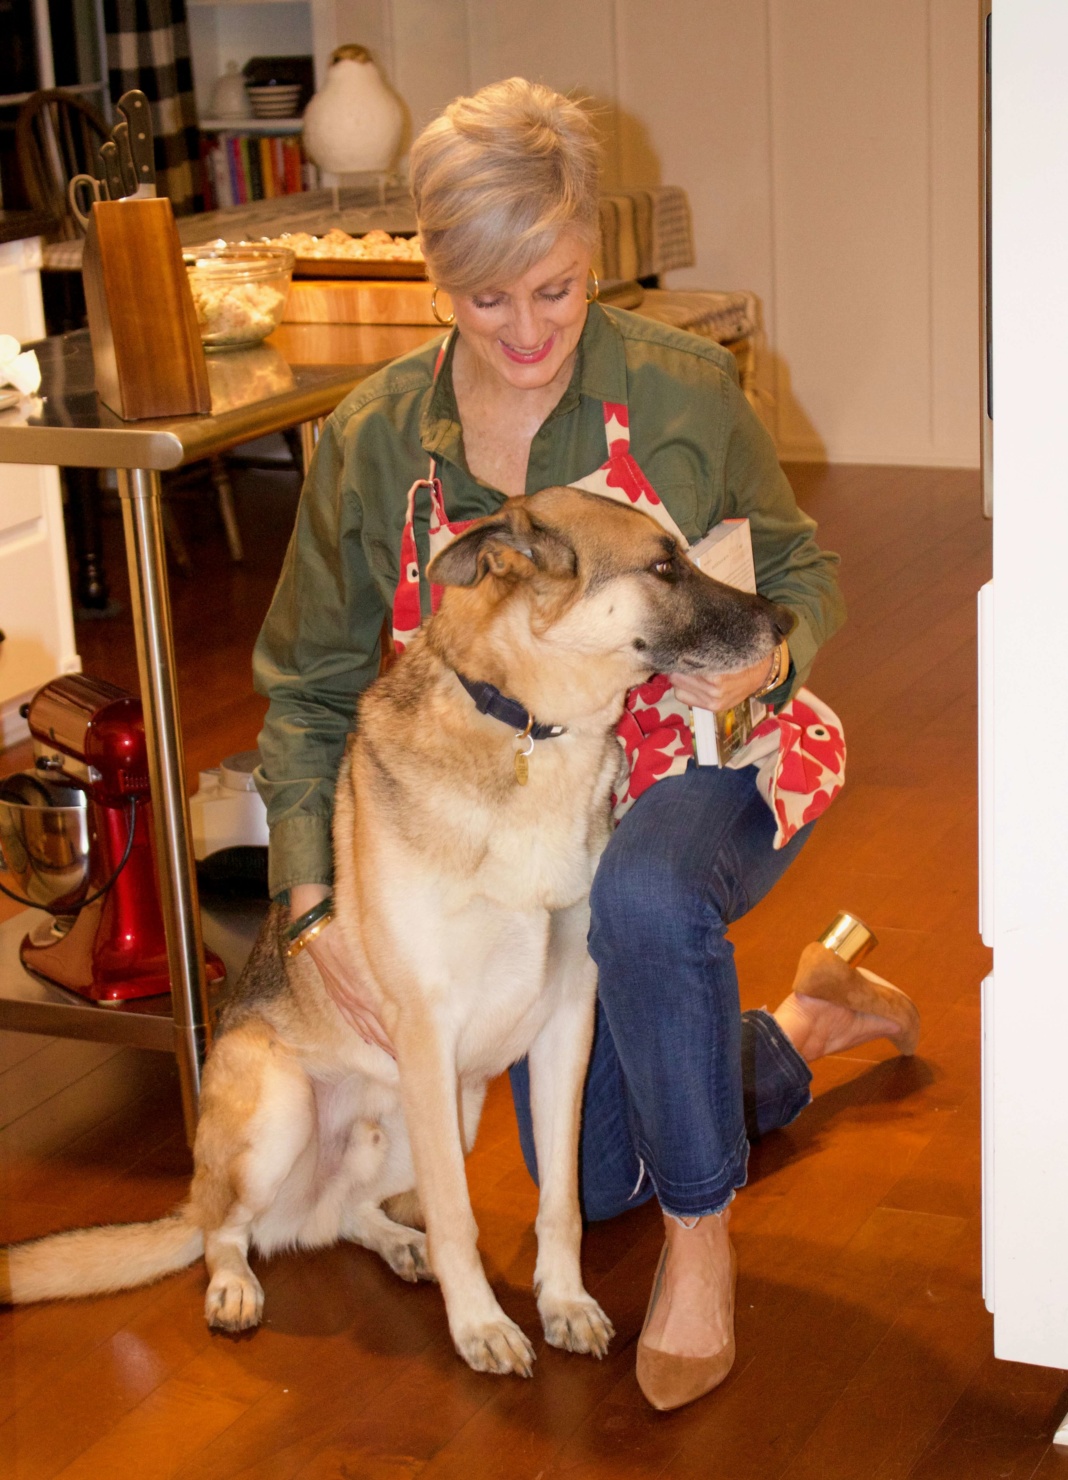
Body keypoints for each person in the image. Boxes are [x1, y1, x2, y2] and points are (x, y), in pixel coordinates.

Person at [253, 78, 920, 1411]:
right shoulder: (377, 437)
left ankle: (701, 1250)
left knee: (646, 895)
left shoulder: (680, 389)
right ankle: (805, 1020)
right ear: (438, 276)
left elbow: (798, 563)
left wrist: (774, 646)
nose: (523, 330)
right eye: (486, 297)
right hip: (513, 811)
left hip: (698, 757)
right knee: (598, 1172)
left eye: (553, 290)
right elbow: (311, 686)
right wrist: (314, 899)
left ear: (591, 256)